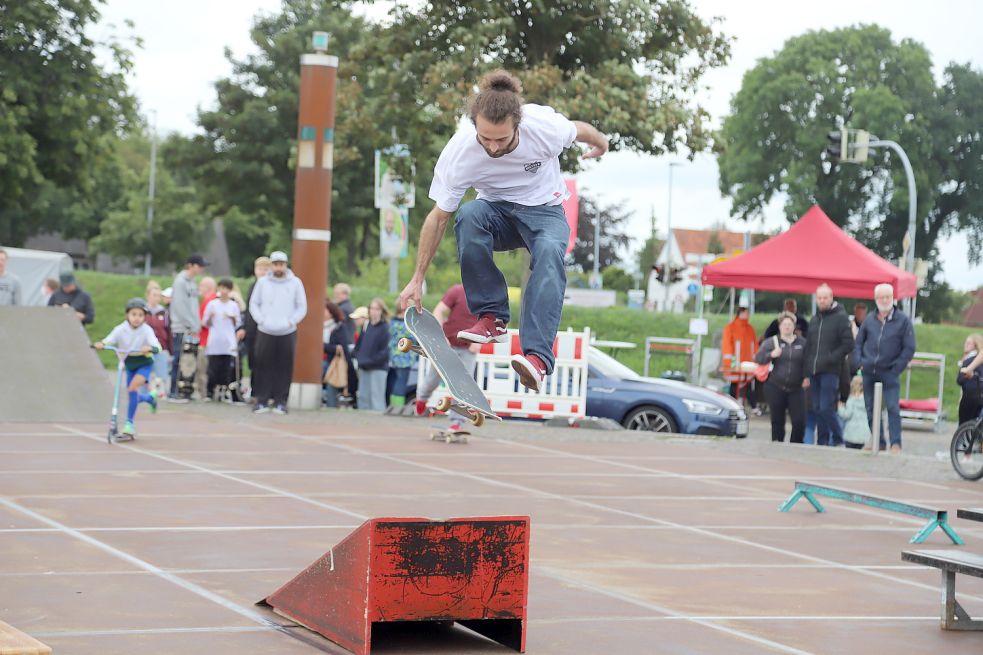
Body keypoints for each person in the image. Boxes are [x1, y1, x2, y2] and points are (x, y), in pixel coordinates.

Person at [397, 69, 608, 393]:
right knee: (468, 215)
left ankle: (536, 359)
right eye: (486, 139)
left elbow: (580, 129)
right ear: (475, 127)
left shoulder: (544, 127)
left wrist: (602, 143)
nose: (493, 148)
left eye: (502, 139)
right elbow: (438, 217)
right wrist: (417, 278)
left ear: (517, 124)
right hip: (496, 213)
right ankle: (492, 316)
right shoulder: (461, 151)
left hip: (545, 212)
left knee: (550, 253)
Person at [854, 283, 916, 453]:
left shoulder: (903, 321)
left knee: (892, 408)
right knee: (870, 408)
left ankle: (896, 443)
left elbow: (909, 347)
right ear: (876, 299)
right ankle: (878, 441)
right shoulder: (869, 319)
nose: (884, 300)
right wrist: (859, 361)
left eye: (887, 296)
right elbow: (858, 343)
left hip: (890, 372)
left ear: (892, 297)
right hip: (869, 371)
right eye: (881, 297)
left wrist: (896, 368)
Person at [413, 283, 480, 431]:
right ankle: (422, 398)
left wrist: (479, 342)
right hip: (448, 344)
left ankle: (457, 421)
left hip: (468, 348)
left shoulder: (485, 296)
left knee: (463, 385)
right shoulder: (457, 291)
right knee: (433, 378)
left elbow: (490, 321)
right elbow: (439, 310)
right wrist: (441, 335)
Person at [93, 298, 162, 438]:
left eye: (140, 315)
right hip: (129, 362)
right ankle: (149, 398)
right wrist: (101, 344)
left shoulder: (146, 330)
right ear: (127, 315)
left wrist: (150, 348)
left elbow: (157, 346)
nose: (137, 318)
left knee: (132, 388)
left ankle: (129, 424)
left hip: (144, 362)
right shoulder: (120, 329)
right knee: (132, 394)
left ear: (144, 317)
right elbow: (108, 340)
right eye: (134, 314)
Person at [249, 250, 307, 414]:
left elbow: (301, 306)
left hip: (287, 331)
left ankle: (281, 401)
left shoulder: (295, 283)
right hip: (265, 330)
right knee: (262, 365)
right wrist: (261, 320)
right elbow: (254, 303)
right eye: (275, 264)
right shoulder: (262, 283)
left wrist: (291, 321)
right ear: (271, 266)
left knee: (284, 367)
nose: (278, 267)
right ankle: (262, 400)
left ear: (286, 265)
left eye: (281, 264)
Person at [803, 283, 853, 447]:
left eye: (825, 297)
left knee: (826, 407)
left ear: (831, 298)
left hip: (831, 371)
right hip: (814, 371)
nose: (822, 301)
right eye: (819, 298)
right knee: (817, 408)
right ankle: (822, 441)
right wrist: (806, 371)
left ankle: (838, 439)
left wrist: (832, 358)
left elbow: (848, 344)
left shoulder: (841, 317)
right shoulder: (815, 319)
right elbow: (808, 346)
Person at [754, 311, 806, 443]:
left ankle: (796, 445)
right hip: (775, 385)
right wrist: (771, 354)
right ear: (780, 326)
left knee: (799, 421)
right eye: (784, 324)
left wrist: (807, 377)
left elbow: (809, 362)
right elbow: (758, 358)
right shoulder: (771, 342)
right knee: (777, 420)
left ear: (794, 326)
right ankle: (777, 444)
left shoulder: (803, 343)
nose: (787, 327)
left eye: (790, 324)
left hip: (796, 387)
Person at [168, 253, 207, 401]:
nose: (201, 269)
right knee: (178, 358)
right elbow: (179, 306)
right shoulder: (180, 282)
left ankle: (185, 389)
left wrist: (196, 324)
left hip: (192, 328)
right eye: (199, 266)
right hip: (181, 328)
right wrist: (191, 323)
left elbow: (193, 305)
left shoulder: (192, 282)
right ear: (191, 265)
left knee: (189, 359)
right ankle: (173, 391)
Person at [202, 278, 243, 401]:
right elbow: (205, 322)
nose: (224, 291)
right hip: (215, 340)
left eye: (227, 288)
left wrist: (232, 318)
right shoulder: (212, 304)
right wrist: (211, 317)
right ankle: (210, 391)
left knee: (226, 368)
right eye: (222, 288)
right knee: (213, 367)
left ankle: (224, 391)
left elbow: (238, 323)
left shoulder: (233, 305)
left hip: (228, 340)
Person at [352, 298, 391, 411]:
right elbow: (359, 346)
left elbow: (386, 351)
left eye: (377, 309)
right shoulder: (366, 326)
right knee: (363, 397)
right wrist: (359, 358)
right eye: (372, 308)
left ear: (382, 311)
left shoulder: (386, 328)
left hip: (378, 368)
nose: (374, 311)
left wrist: (370, 361)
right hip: (364, 367)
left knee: (376, 399)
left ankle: (378, 426)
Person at [242, 256, 271, 398]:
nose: (262, 272)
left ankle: (262, 391)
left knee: (264, 361)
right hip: (251, 329)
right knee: (253, 361)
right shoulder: (253, 286)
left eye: (266, 269)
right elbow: (248, 310)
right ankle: (255, 390)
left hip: (265, 329)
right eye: (260, 269)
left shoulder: (271, 287)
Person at [721, 304, 758, 412]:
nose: (748, 315)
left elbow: (754, 345)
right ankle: (732, 405)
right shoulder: (730, 328)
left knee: (748, 384)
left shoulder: (750, 328)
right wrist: (730, 363)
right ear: (741, 313)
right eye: (746, 313)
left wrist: (756, 358)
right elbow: (727, 347)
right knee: (735, 385)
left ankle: (753, 406)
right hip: (735, 363)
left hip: (748, 363)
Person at [322, 300, 354, 408]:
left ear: (331, 312)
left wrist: (323, 346)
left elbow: (342, 347)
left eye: (324, 310)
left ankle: (331, 408)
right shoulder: (319, 326)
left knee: (331, 386)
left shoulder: (339, 327)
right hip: (320, 362)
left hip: (332, 363)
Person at [386, 305, 418, 409]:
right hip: (406, 357)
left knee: (395, 381)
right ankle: (397, 406)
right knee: (401, 382)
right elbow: (414, 338)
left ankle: (392, 405)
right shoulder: (407, 324)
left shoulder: (392, 322)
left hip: (394, 355)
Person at [144, 281, 171, 394]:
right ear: (148, 295)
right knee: (145, 376)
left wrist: (170, 350)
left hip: (161, 347)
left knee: (161, 376)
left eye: (159, 295)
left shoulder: (164, 313)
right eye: (154, 295)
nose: (156, 298)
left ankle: (160, 397)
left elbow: (168, 331)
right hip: (145, 348)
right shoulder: (142, 311)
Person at [195, 276, 217, 399]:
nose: (199, 288)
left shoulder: (209, 301)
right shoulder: (210, 300)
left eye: (201, 285)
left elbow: (202, 321)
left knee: (203, 367)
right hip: (208, 340)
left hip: (206, 340)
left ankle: (204, 392)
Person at [839, 376, 871, 450]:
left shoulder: (852, 400)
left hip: (851, 433)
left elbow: (847, 415)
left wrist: (840, 408)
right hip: (863, 434)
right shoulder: (866, 400)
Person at [957, 334, 983, 424]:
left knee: (965, 427)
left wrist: (969, 369)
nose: (965, 345)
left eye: (969, 343)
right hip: (977, 396)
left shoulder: (968, 360)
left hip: (970, 397)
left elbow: (959, 380)